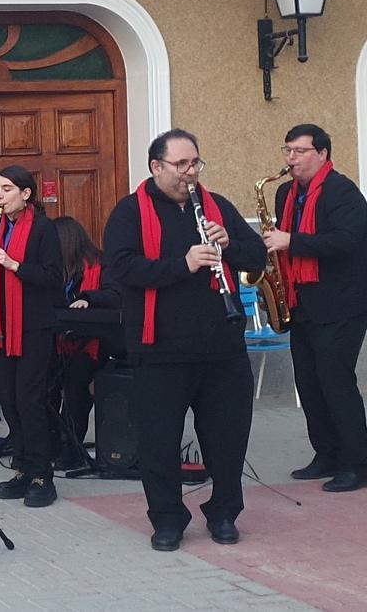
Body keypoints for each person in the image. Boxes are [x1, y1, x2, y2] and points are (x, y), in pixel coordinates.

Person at [103, 128, 266, 551]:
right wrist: (184, 264)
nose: (190, 173)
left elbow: (256, 259)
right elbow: (122, 269)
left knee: (228, 439)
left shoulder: (217, 207)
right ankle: (168, 519)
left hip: (222, 347)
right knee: (159, 441)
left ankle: (225, 511)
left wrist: (230, 245)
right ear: (156, 167)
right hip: (159, 350)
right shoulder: (129, 213)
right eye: (181, 165)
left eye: (195, 163)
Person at [265, 124, 367, 492]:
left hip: (342, 303)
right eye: (287, 150)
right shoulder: (284, 194)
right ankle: (326, 454)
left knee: (336, 382)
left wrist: (291, 241)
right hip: (302, 302)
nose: (290, 158)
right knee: (308, 383)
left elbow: (347, 242)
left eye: (299, 151)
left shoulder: (343, 192)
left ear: (322, 154)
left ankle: (356, 462)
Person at [0, 166, 62, 508]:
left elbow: (53, 277)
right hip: (1, 326)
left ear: (26, 194)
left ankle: (43, 474)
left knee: (30, 400)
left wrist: (11, 265)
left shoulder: (43, 229)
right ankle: (23, 468)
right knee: (7, 398)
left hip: (33, 328)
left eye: (7, 189)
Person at [49, 216, 121, 470]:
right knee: (46, 380)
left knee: (75, 383)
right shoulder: (61, 270)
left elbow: (115, 295)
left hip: (100, 342)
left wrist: (88, 299)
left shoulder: (102, 265)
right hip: (66, 338)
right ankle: (52, 440)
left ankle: (72, 447)